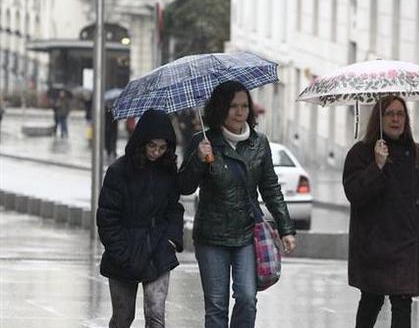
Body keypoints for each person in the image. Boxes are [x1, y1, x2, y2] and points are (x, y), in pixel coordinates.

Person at [179, 80, 297, 327]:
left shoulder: (259, 143)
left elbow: (270, 187)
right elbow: (184, 186)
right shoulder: (203, 142)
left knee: (246, 298)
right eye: (233, 106)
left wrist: (286, 228)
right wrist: (199, 159)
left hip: (246, 233)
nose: (240, 112)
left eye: (245, 106)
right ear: (221, 108)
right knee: (216, 306)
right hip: (212, 235)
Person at [343, 95, 419, 328]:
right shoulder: (361, 153)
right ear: (379, 118)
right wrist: (377, 166)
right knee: (371, 300)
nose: (396, 119)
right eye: (389, 114)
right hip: (373, 245)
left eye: (400, 114)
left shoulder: (418, 153)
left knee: (402, 303)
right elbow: (354, 194)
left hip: (407, 243)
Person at [97, 109, 185, 328]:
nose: (156, 152)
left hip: (158, 248)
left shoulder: (168, 171)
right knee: (123, 317)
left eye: (163, 147)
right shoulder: (119, 171)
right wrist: (120, 252)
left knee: (156, 315)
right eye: (152, 146)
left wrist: (171, 240)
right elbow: (107, 216)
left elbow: (174, 209)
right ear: (141, 142)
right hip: (124, 250)